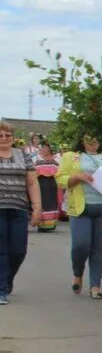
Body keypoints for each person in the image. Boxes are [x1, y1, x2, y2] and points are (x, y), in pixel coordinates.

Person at [58, 136, 102, 298]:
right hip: (80, 208)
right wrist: (76, 177)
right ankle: (78, 273)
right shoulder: (70, 156)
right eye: (88, 136)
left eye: (96, 136)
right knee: (81, 245)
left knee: (98, 248)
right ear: (81, 138)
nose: (93, 139)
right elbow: (60, 178)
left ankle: (95, 285)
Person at [0, 121, 42, 305]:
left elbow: (32, 182)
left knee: (18, 250)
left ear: (13, 137)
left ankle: (6, 281)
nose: (4, 138)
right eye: (0, 135)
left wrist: (37, 207)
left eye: (7, 135)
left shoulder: (22, 155)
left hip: (19, 208)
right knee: (1, 251)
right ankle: (1, 290)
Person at [33, 142, 61, 231]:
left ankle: (51, 224)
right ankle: (41, 224)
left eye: (46, 148)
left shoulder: (57, 159)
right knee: (42, 202)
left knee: (51, 203)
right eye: (42, 148)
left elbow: (59, 171)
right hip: (40, 184)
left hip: (52, 185)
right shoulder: (35, 158)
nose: (43, 150)